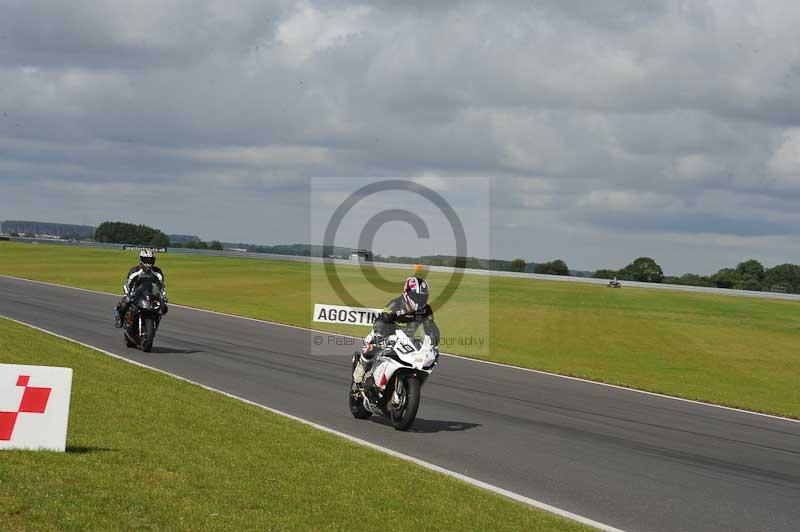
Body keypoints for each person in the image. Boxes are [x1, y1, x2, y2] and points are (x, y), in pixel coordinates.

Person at [352, 276, 440, 385]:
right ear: (407, 293)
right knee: (371, 342)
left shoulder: (426, 310)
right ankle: (361, 367)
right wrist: (379, 335)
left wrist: (434, 344)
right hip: (388, 335)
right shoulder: (395, 305)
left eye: (422, 298)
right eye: (416, 296)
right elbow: (381, 321)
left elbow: (430, 326)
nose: (419, 300)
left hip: (407, 340)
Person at [114, 249, 168, 327]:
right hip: (136, 294)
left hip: (150, 294)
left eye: (151, 260)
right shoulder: (135, 271)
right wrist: (127, 295)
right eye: (146, 260)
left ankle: (154, 324)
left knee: (164, 308)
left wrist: (162, 297)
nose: (149, 263)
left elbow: (161, 286)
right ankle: (120, 319)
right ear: (141, 259)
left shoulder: (157, 272)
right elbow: (127, 284)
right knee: (125, 304)